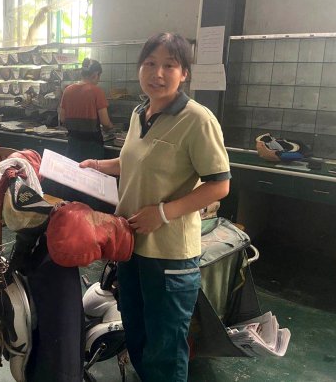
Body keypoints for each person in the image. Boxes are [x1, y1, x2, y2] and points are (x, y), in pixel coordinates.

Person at [79, 33, 231, 381]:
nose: (157, 73)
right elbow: (134, 161)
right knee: (137, 334)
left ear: (184, 73)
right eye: (150, 63)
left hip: (169, 255)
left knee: (165, 347)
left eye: (169, 65)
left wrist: (162, 214)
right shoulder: (140, 113)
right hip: (130, 245)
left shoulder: (197, 119)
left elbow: (219, 185)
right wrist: (98, 166)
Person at [59, 58, 114, 210]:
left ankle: (69, 216)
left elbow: (62, 118)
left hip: (73, 144)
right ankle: (90, 219)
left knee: (71, 183)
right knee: (91, 188)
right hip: (92, 146)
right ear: (95, 74)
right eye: (99, 76)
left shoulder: (68, 90)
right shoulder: (96, 91)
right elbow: (105, 122)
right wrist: (111, 127)